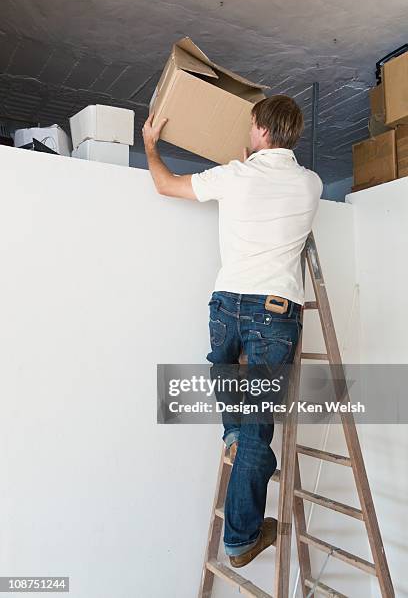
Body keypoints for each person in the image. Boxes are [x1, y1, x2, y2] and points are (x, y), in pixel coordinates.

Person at [142, 95, 323, 567]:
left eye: (250, 126)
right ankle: (242, 493)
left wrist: (149, 144)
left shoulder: (233, 176)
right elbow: (271, 188)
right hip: (274, 309)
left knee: (228, 382)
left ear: (261, 130)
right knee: (258, 430)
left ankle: (238, 481)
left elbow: (164, 184)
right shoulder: (311, 183)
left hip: (227, 303)